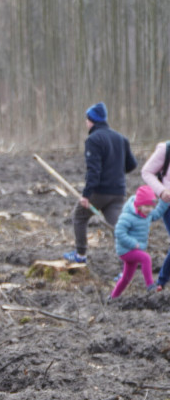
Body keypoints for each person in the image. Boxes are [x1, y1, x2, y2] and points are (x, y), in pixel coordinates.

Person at [63, 102, 137, 264]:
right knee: (117, 228)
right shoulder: (121, 138)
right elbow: (132, 165)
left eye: (87, 119)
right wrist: (115, 174)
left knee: (79, 216)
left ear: (91, 120)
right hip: (118, 192)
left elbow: (93, 171)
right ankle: (128, 264)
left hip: (100, 192)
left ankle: (80, 255)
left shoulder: (93, 139)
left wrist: (86, 195)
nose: (86, 122)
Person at [109, 185, 168, 300]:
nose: (150, 209)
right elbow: (119, 233)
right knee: (145, 258)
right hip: (126, 250)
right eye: (146, 206)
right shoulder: (127, 216)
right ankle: (150, 286)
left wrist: (165, 202)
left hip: (135, 249)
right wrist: (133, 244)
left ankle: (113, 297)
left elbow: (157, 213)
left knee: (126, 278)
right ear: (138, 204)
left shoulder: (147, 214)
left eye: (151, 206)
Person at [138, 140, 170, 289]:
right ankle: (161, 282)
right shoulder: (166, 149)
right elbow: (146, 171)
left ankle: (161, 282)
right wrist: (162, 190)